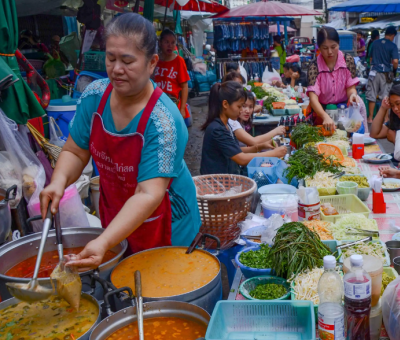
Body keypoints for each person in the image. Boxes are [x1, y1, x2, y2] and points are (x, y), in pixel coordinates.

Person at [39, 13, 200, 269]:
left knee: (161, 291)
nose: (116, 69)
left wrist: (103, 242)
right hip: (117, 211)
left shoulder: (164, 120)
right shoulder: (94, 96)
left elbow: (148, 193)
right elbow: (75, 151)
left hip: (166, 222)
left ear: (152, 63)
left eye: (127, 61)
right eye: (111, 58)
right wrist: (58, 182)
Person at [200, 82, 287, 175]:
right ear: (225, 104)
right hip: (216, 184)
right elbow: (241, 158)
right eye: (239, 106)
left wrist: (260, 147)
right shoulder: (217, 129)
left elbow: (236, 150)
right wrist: (274, 154)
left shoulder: (226, 124)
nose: (241, 110)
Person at [307, 27, 364, 132]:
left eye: (333, 47)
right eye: (325, 48)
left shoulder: (348, 61)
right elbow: (313, 98)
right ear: (319, 47)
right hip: (322, 112)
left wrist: (352, 95)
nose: (330, 52)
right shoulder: (314, 66)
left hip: (344, 111)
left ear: (339, 44)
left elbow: (350, 88)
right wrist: (325, 116)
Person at [154, 29, 191, 128]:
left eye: (172, 42)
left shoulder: (179, 61)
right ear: (160, 43)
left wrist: (182, 109)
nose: (170, 45)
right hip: (156, 104)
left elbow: (184, 86)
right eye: (166, 42)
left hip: (173, 104)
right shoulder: (155, 60)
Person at [366, 26, 399, 123]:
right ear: (393, 35)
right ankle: (385, 119)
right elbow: (395, 61)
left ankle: (370, 118)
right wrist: (394, 70)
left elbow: (370, 58)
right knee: (385, 96)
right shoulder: (392, 46)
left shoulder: (375, 43)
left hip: (374, 72)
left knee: (371, 95)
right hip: (386, 73)